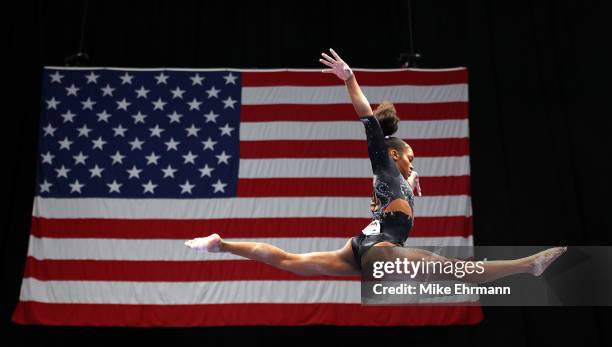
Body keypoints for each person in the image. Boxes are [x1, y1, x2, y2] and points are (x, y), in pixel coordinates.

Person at [184, 49, 566, 282]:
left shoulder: (397, 179)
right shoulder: (384, 161)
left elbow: (404, 184)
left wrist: (414, 178)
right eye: (410, 158)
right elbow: (368, 118)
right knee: (452, 271)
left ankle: (223, 245)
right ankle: (527, 265)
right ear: (395, 154)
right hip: (382, 248)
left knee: (291, 261)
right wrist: (350, 79)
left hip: (363, 247)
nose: (413, 164)